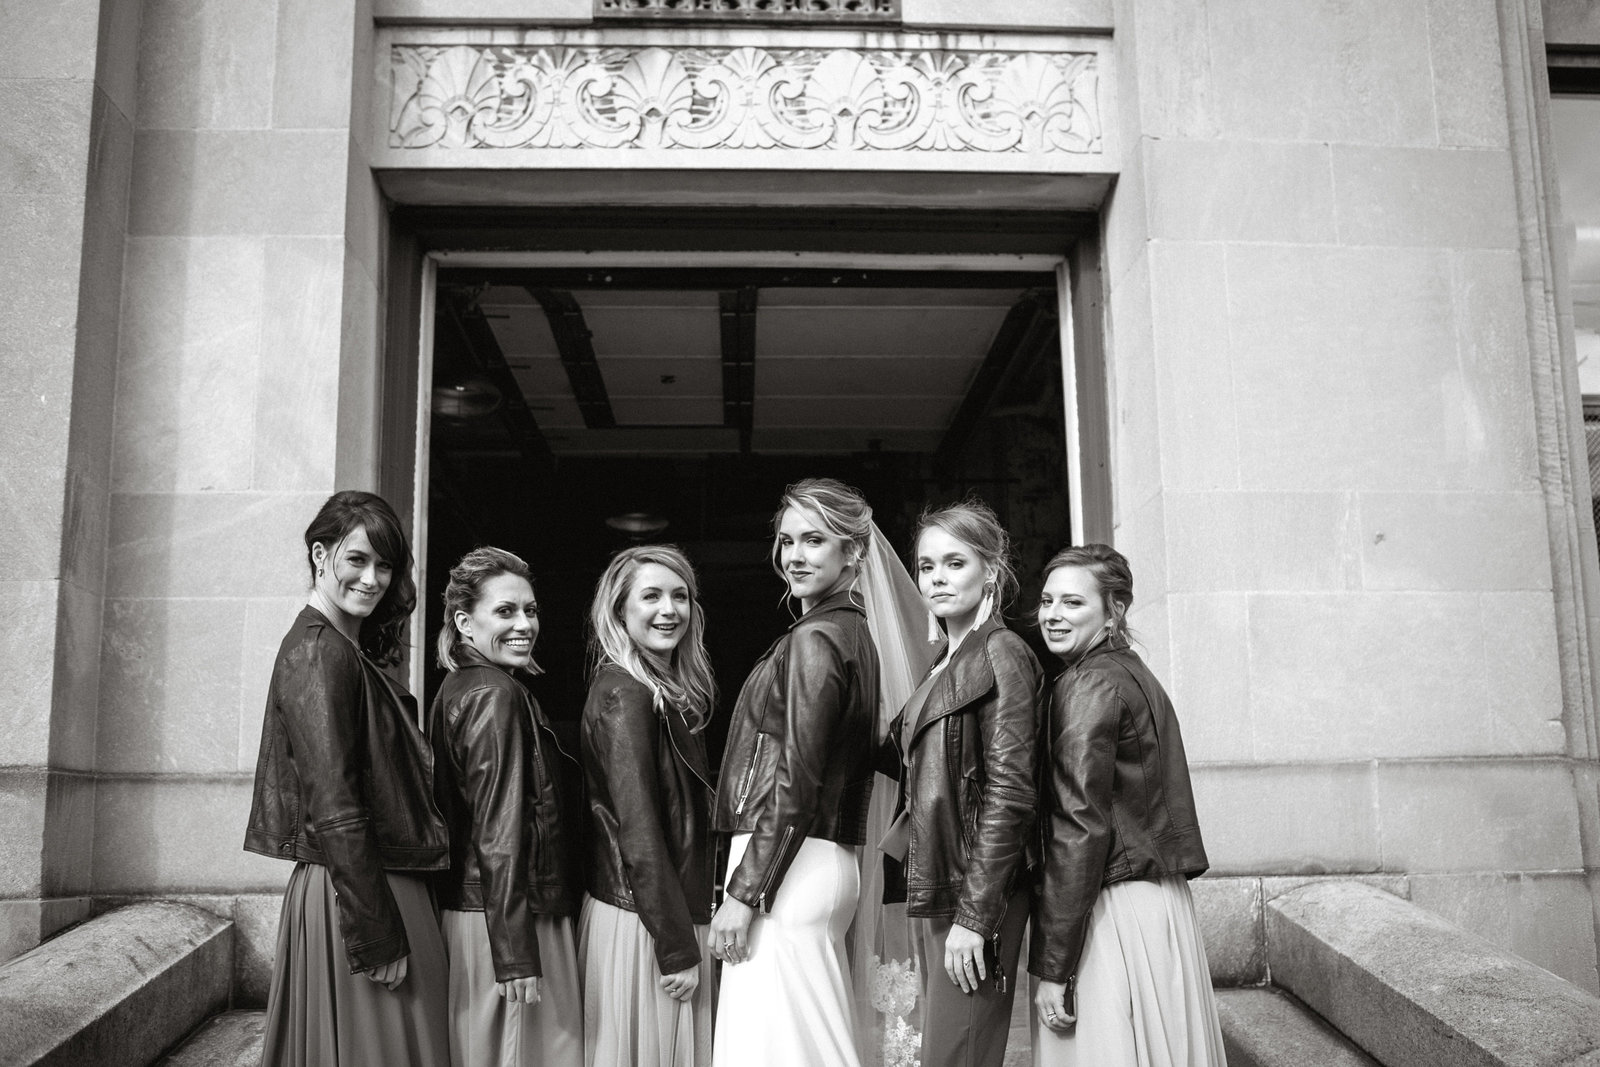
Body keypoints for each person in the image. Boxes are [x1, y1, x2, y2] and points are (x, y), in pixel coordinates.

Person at [246, 489, 450, 1067]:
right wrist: (375, 931)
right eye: (356, 559)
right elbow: (332, 799)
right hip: (362, 890)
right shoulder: (317, 652)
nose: (372, 578)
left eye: (384, 565)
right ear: (319, 553)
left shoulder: (342, 650)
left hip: (372, 882)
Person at [707, 477, 883, 1067]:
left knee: (774, 1048)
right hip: (816, 862)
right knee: (807, 1044)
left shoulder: (816, 638)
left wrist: (745, 893)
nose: (794, 556)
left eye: (814, 540)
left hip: (786, 867)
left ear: (852, 552)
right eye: (786, 541)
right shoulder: (854, 632)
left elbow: (796, 778)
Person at [1029, 544, 1226, 1067]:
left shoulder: (1086, 684)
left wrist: (1054, 965)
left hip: (1112, 906)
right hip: (1155, 899)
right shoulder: (1130, 672)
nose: (1052, 614)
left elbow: (1079, 826)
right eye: (1047, 601)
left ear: (1114, 611)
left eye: (1072, 603)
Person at [880, 500, 1041, 1067]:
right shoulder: (944, 662)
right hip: (940, 883)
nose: (937, 579)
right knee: (945, 1053)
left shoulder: (1001, 654)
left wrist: (976, 915)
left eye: (955, 563)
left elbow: (1011, 792)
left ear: (990, 572)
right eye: (927, 566)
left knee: (958, 1053)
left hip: (974, 889)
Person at [431, 547, 583, 1067]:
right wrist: (516, 954)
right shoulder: (494, 694)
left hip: (492, 913)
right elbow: (498, 829)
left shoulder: (466, 686)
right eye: (505, 611)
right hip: (511, 921)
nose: (524, 624)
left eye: (531, 610)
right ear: (464, 623)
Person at [579, 545, 719, 1067]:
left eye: (680, 596)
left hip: (658, 910)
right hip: (647, 919)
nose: (669, 610)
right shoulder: (626, 694)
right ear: (620, 611)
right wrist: (678, 948)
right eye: (651, 596)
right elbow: (637, 830)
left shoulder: (661, 690)